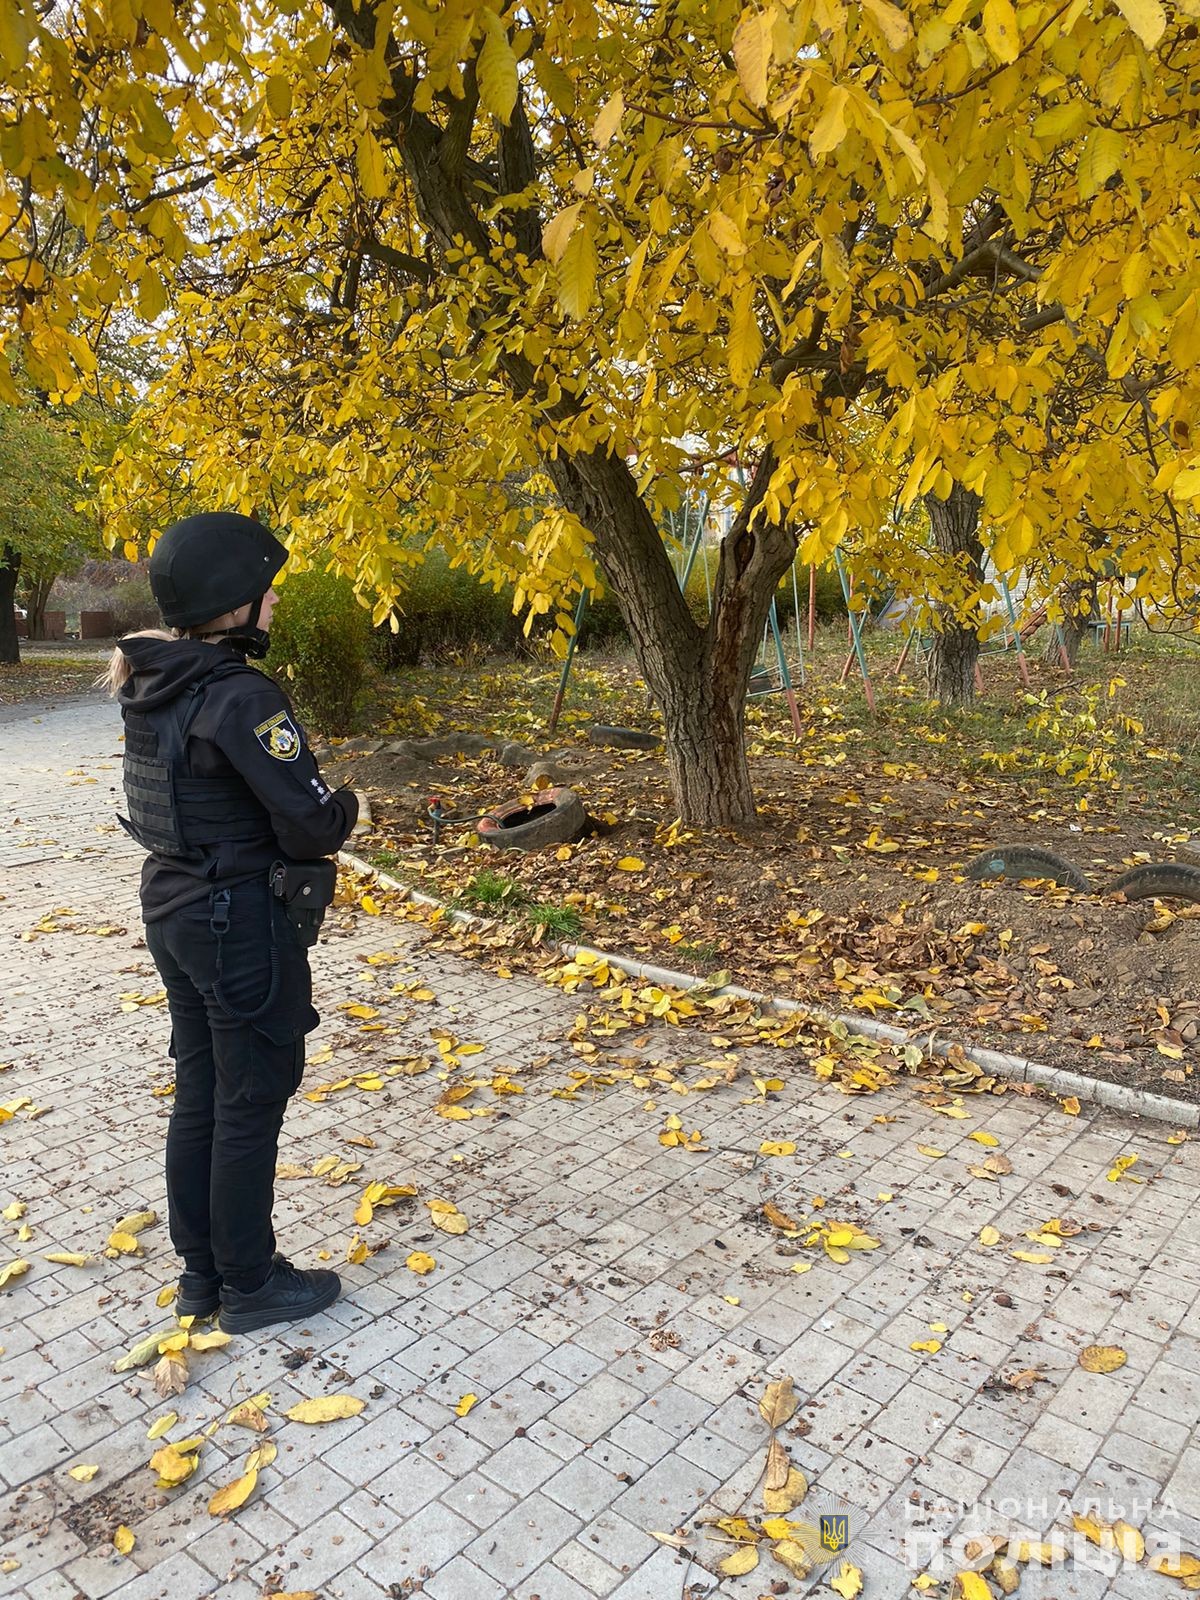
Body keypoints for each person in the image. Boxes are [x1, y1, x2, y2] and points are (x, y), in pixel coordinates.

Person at [105, 511, 361, 1334]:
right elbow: (312, 825)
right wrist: (351, 802)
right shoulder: (241, 695)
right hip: (237, 923)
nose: (276, 597)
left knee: (204, 1090)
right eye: (265, 585)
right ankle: (249, 1285)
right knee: (250, 1098)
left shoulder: (153, 680)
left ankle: (202, 1275)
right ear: (235, 602)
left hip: (174, 910)